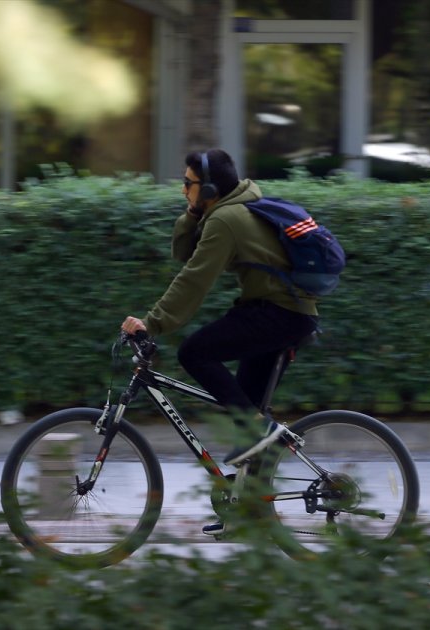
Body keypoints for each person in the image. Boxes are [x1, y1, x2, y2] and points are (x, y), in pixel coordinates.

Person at [120, 149, 319, 534]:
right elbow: (185, 252)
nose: (182, 190)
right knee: (246, 417)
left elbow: (194, 279)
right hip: (279, 313)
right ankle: (249, 511)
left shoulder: (228, 219)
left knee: (195, 352)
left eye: (188, 184)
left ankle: (263, 434)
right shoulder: (231, 208)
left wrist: (152, 323)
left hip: (277, 314)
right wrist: (194, 212)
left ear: (209, 187)